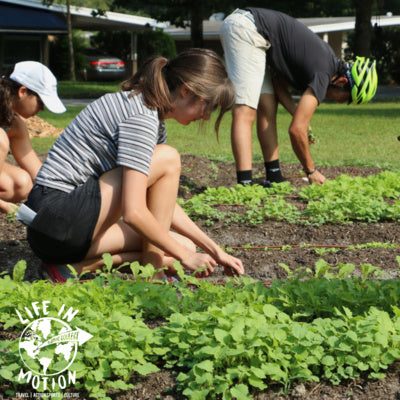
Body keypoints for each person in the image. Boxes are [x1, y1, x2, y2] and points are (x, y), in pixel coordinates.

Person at [22, 48, 245, 283]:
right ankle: (154, 279)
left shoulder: (149, 114)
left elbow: (161, 207)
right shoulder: (140, 117)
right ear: (186, 90)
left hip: (56, 230)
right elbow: (134, 213)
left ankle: (72, 269)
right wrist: (186, 256)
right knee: (168, 162)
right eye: (208, 106)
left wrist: (213, 249)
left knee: (180, 244)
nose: (207, 116)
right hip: (56, 219)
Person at [220, 8, 378, 186]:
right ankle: (245, 184)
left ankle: (274, 175)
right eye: (345, 98)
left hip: (255, 33)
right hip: (247, 29)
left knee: (268, 106)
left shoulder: (324, 65)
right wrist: (311, 171)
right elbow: (296, 130)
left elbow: (278, 82)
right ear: (342, 82)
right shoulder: (323, 73)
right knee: (245, 111)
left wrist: (297, 113)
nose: (340, 101)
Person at [0, 61, 66, 213]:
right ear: (22, 91)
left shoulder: (14, 124)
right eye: (40, 102)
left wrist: (64, 201)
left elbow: (39, 174)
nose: (42, 109)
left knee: (20, 183)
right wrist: (10, 209)